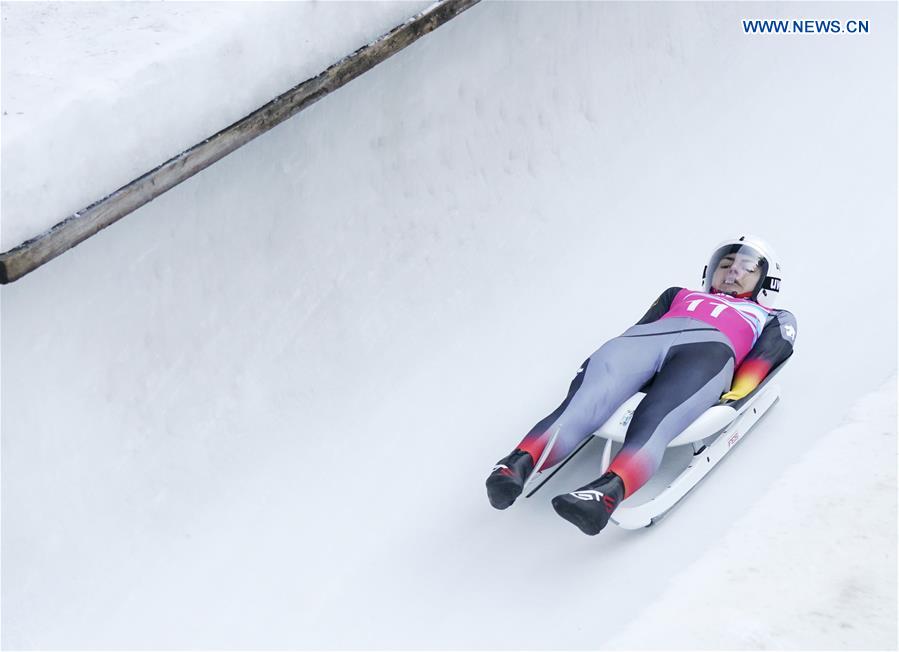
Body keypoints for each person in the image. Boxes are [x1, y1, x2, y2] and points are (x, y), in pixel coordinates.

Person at [486, 235, 797, 536]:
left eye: (747, 267)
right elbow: (642, 325)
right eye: (726, 263)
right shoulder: (676, 294)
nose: (733, 271)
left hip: (708, 352)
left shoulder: (773, 317)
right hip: (642, 343)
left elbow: (763, 361)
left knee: (657, 416)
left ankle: (606, 493)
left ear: (767, 282)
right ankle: (516, 464)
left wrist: (734, 399)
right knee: (585, 400)